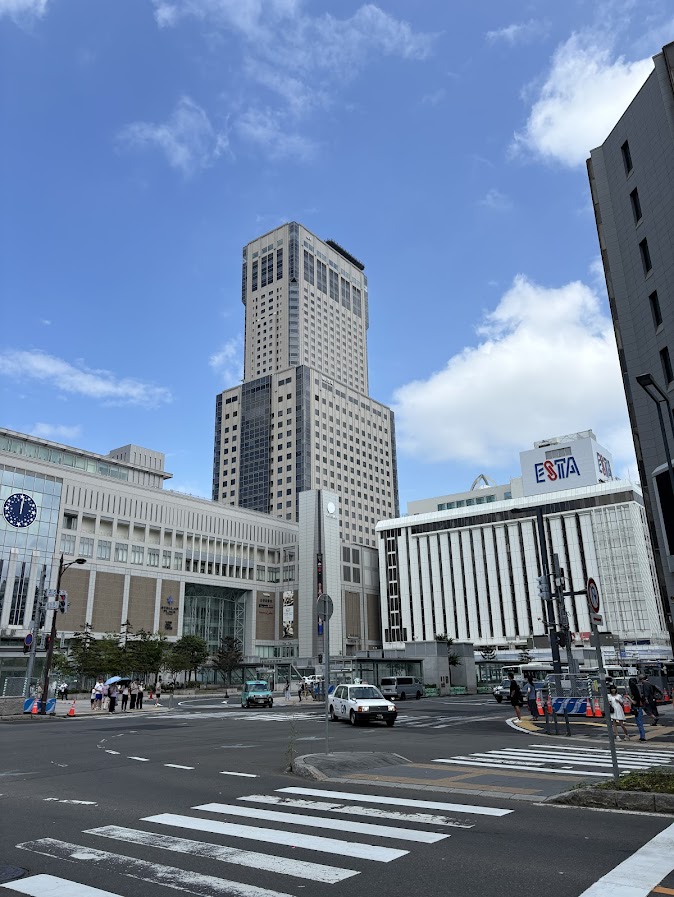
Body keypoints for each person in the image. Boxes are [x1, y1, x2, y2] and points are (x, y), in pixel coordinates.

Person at [628, 677, 647, 741]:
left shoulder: (634, 692)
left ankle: (642, 736)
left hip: (637, 708)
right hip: (638, 708)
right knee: (639, 723)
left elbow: (634, 702)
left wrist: (629, 698)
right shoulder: (638, 689)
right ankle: (642, 736)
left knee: (639, 723)